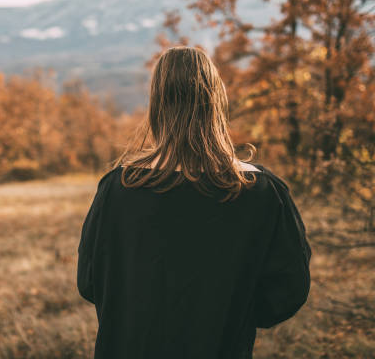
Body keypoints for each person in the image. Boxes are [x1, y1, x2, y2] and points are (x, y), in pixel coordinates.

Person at [77, 46, 311, 359]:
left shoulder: (118, 190)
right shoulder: (261, 192)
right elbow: (287, 291)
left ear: (157, 104)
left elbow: (90, 282)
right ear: (215, 100)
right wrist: (227, 314)